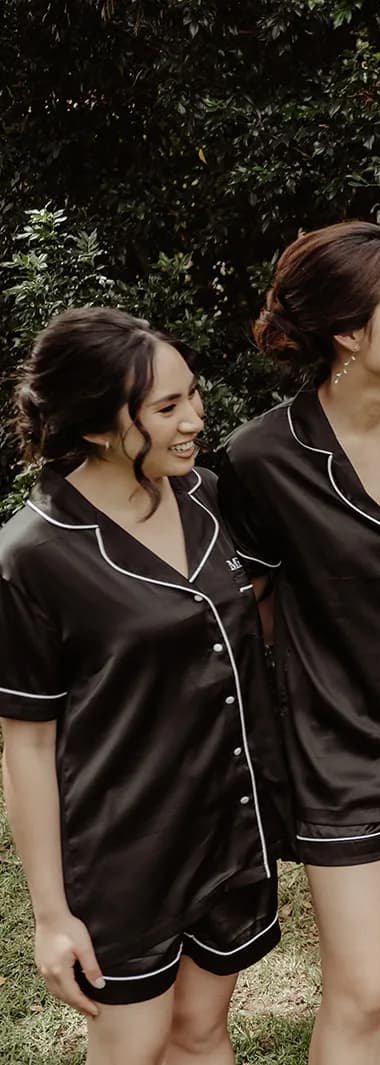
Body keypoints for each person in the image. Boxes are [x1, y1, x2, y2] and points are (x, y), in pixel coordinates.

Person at [218, 222, 380, 1065]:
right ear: (349, 333)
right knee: (368, 980)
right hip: (335, 746)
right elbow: (248, 613)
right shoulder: (260, 458)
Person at [0, 308, 285, 1064]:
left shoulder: (207, 497)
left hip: (227, 829)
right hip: (123, 855)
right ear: (97, 425)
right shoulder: (32, 555)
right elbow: (26, 744)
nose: (194, 418)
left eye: (193, 395)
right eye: (166, 407)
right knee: (132, 1046)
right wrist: (52, 914)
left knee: (201, 1034)